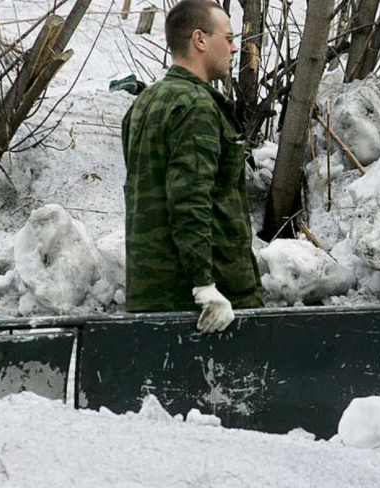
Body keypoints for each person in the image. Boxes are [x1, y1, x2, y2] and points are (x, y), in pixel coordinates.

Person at [121, 0, 263, 333]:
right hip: (206, 306)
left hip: (150, 292)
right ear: (200, 40)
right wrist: (205, 286)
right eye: (227, 38)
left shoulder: (143, 103)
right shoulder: (197, 107)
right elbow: (190, 199)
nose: (233, 47)